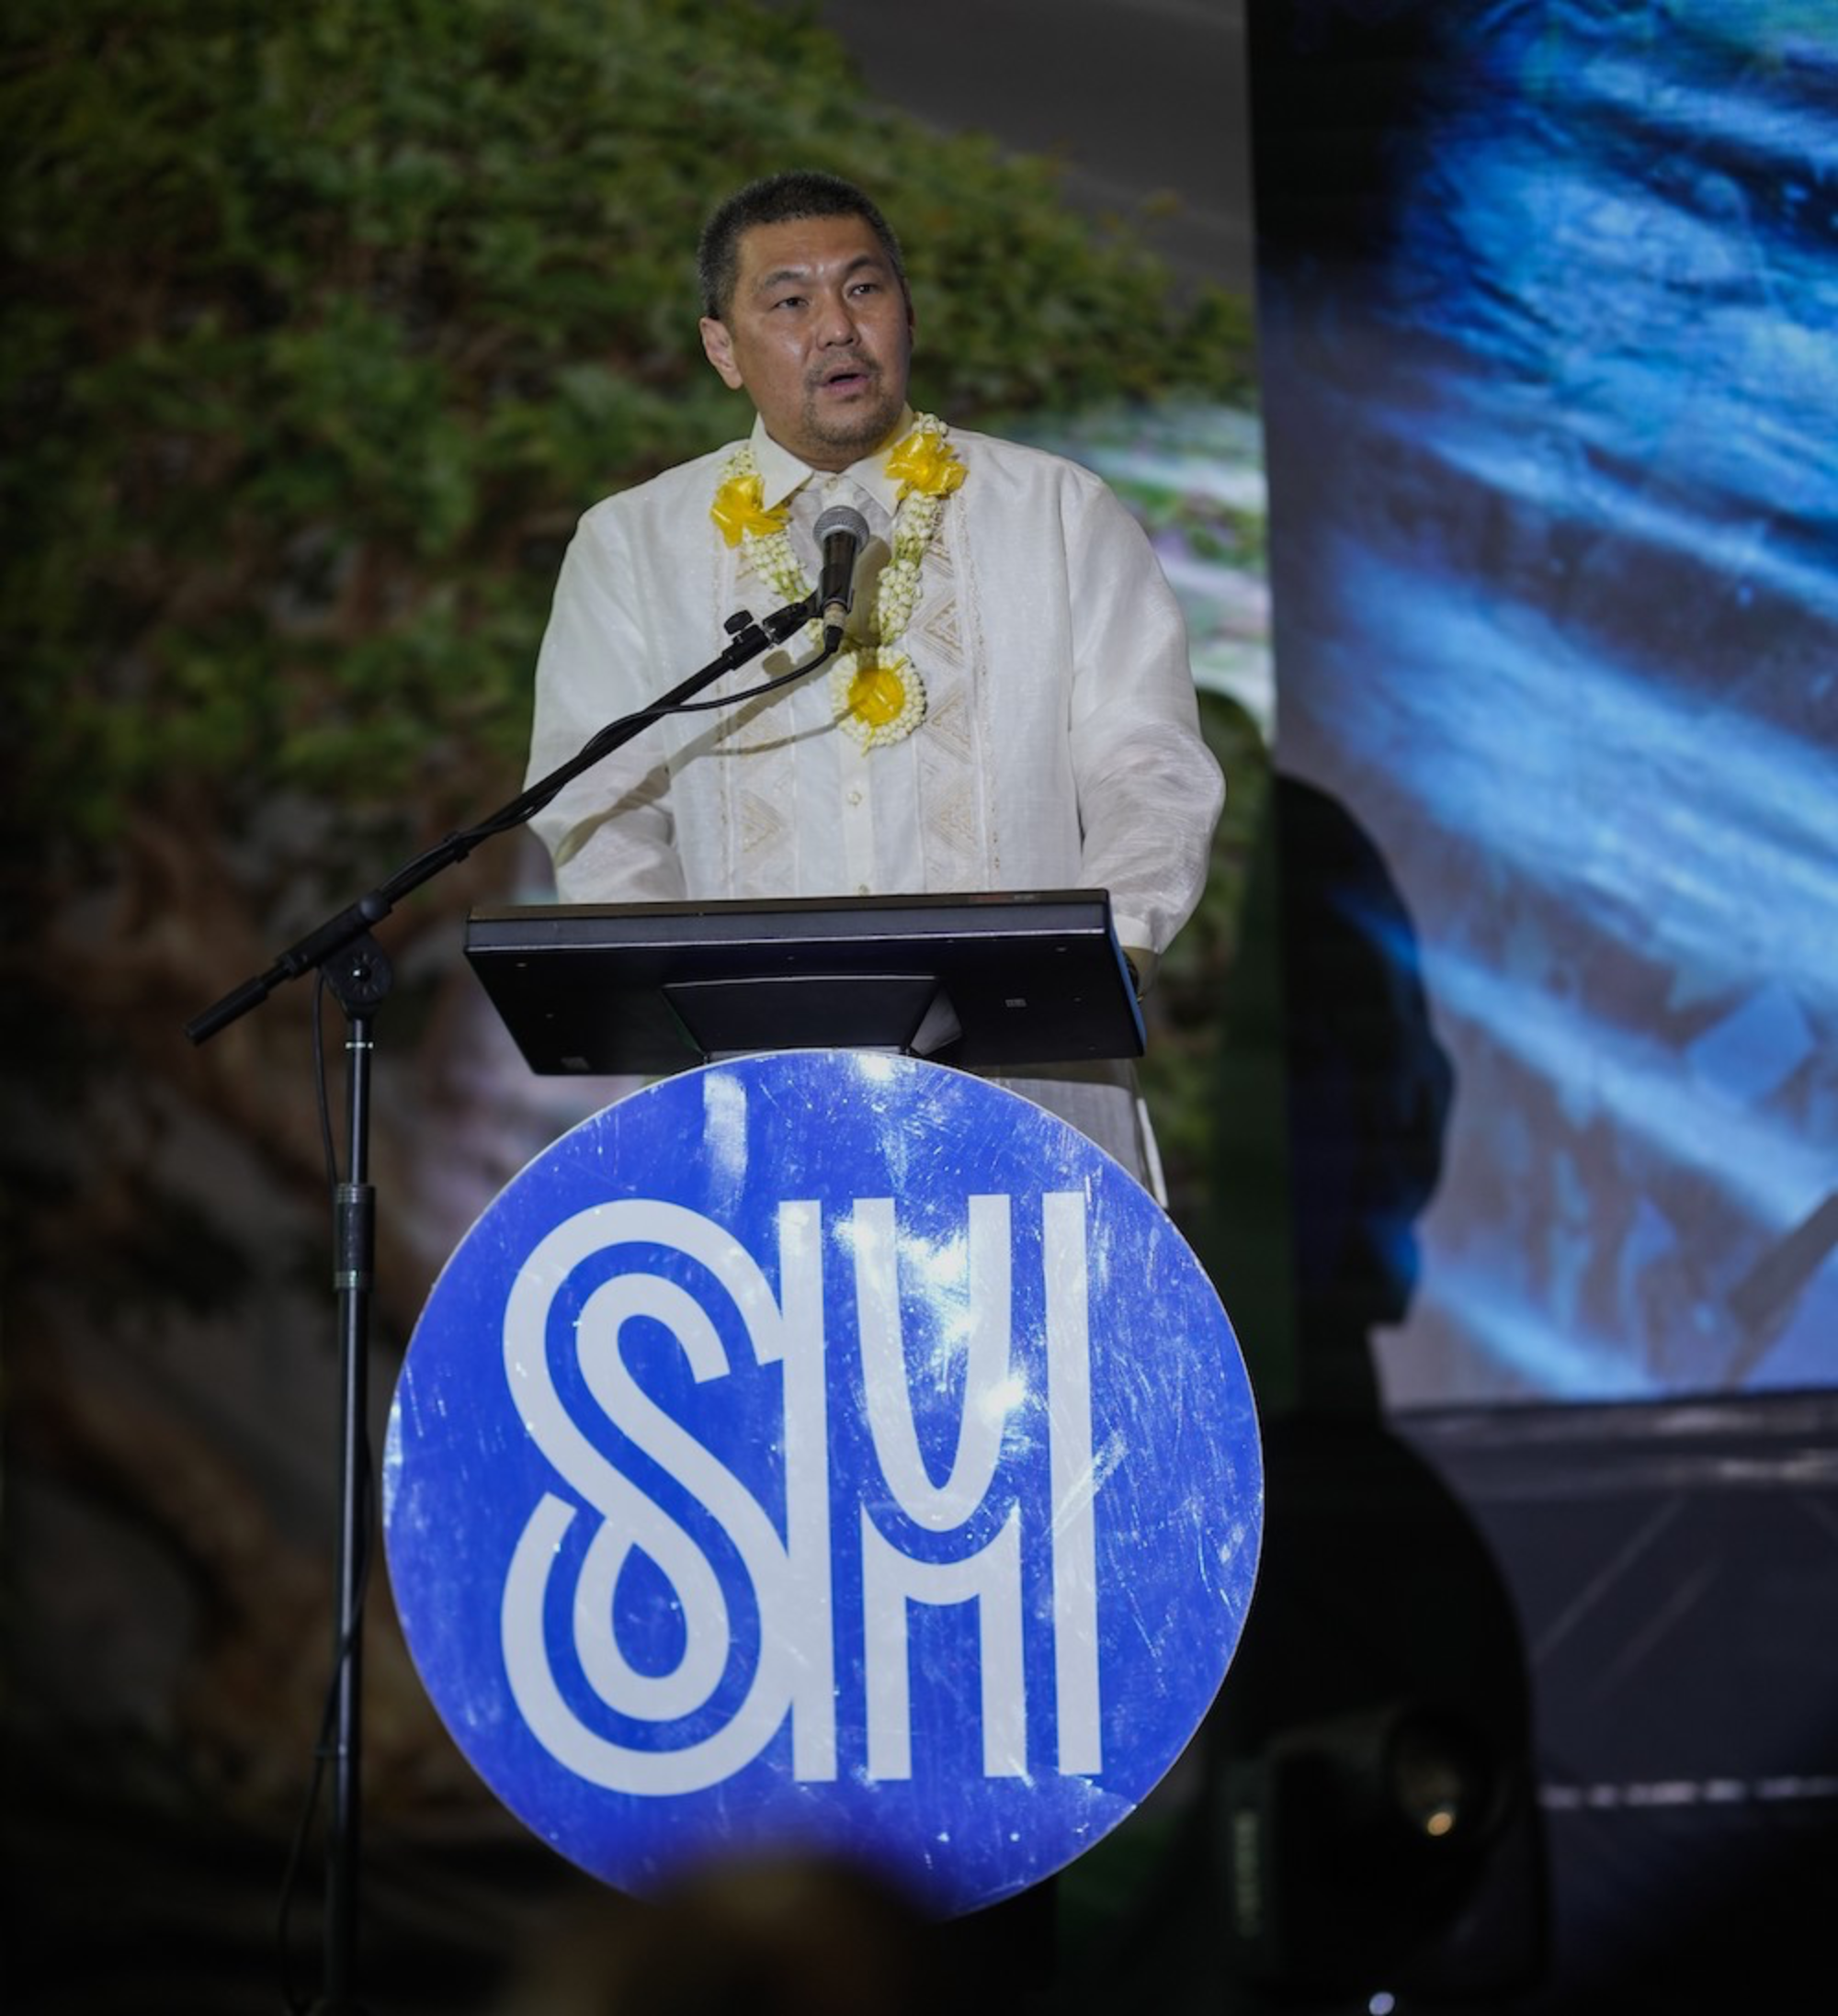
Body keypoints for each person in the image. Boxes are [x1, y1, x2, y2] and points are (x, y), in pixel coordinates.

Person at [524, 170, 1222, 1191]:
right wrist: (695, 1024)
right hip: (755, 1115)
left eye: (864, 290)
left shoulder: (1054, 513)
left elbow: (1147, 768)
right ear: (722, 347)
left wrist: (1092, 958)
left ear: (906, 309)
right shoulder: (634, 545)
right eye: (790, 301)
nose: (837, 330)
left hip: (1026, 1101)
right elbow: (600, 813)